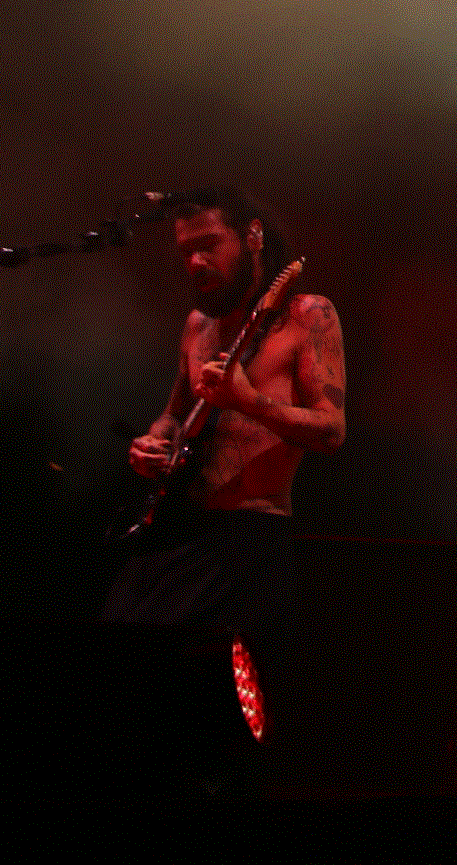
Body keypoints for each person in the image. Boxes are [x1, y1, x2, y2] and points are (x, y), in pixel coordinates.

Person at [103, 187, 345, 647]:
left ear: (253, 236)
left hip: (248, 539)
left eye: (208, 245)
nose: (196, 262)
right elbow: (172, 417)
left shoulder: (307, 315)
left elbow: (332, 431)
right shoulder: (198, 325)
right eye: (186, 251)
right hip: (172, 536)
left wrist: (249, 401)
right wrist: (152, 445)